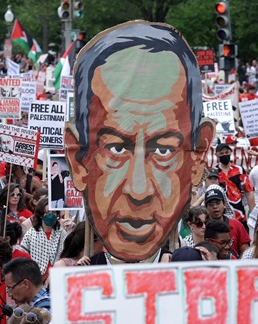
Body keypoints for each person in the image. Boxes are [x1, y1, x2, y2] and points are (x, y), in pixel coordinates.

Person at [64, 22, 215, 263]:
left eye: (163, 150)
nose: (138, 190)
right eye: (116, 148)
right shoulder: (74, 284)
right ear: (77, 158)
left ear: (197, 157)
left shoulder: (193, 270)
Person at [19, 197, 66, 282]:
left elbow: (66, 255)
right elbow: (23, 256)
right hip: (35, 280)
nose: (51, 215)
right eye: (47, 212)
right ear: (41, 215)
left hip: (57, 278)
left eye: (54, 212)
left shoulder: (62, 234)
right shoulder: (31, 234)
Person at [205, 185, 250, 257]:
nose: (215, 207)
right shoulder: (202, 227)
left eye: (217, 203)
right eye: (211, 204)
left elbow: (245, 251)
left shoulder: (236, 224)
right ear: (206, 207)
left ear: (225, 204)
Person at [215, 142, 254, 220]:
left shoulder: (239, 170)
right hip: (221, 215)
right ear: (217, 155)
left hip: (240, 214)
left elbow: (249, 192)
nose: (224, 154)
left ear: (230, 152)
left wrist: (253, 213)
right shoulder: (214, 173)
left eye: (226, 152)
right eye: (221, 153)